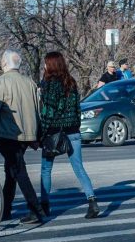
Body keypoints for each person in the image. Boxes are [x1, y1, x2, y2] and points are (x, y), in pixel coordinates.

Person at [39, 51, 100, 219]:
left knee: (46, 169)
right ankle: (92, 201)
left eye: (45, 63)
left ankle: (44, 205)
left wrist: (42, 133)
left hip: (54, 133)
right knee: (79, 167)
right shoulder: (71, 82)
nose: (44, 66)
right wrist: (75, 126)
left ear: (50, 65)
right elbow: (77, 109)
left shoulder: (49, 84)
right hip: (73, 131)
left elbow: (47, 113)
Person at [0, 49, 44, 224]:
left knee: (18, 171)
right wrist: (36, 135)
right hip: (27, 135)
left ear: (4, 64)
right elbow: (38, 110)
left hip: (8, 134)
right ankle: (5, 209)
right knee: (11, 170)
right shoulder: (30, 82)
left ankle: (36, 209)